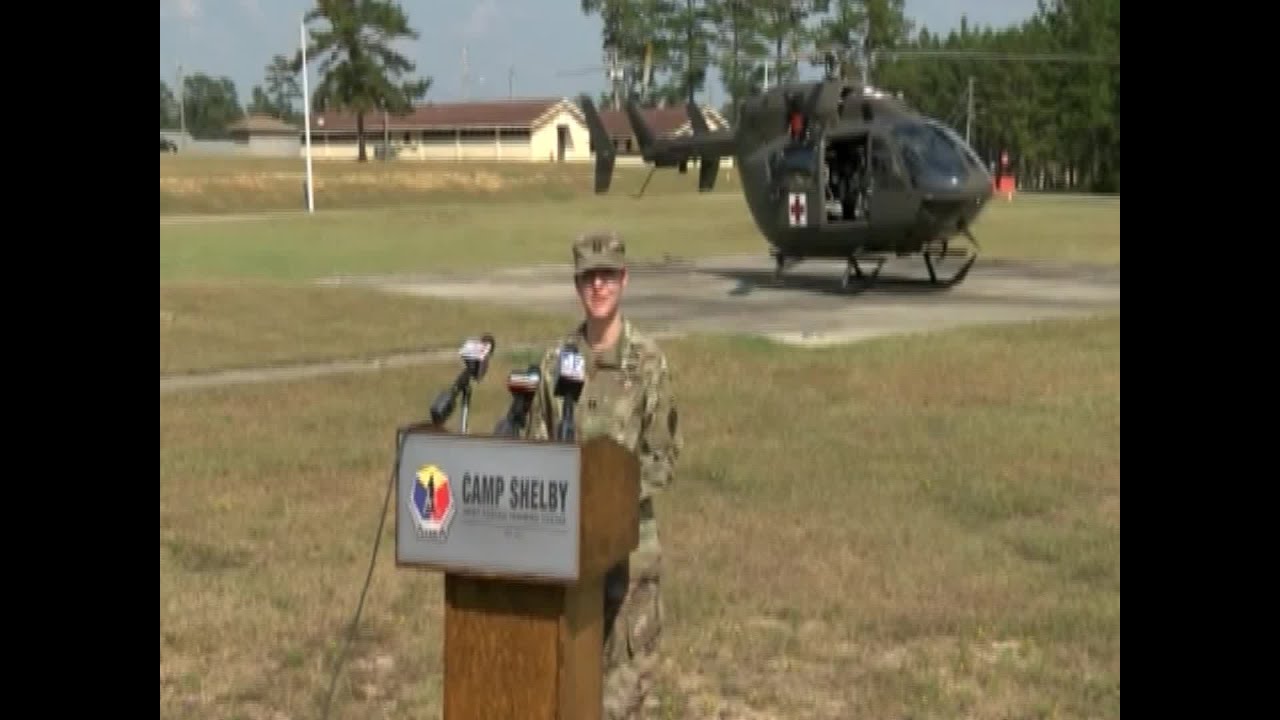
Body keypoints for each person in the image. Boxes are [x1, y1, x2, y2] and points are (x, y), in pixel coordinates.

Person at [523, 230, 682, 719]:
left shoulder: (648, 364)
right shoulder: (556, 363)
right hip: (567, 558)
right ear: (577, 286)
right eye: (589, 277)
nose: (598, 286)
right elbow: (535, 450)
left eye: (607, 276)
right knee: (567, 693)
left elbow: (663, 457)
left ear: (624, 280)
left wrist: (610, 498)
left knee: (621, 702)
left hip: (628, 556)